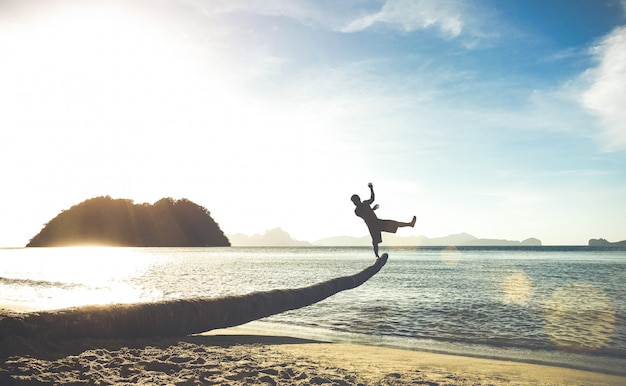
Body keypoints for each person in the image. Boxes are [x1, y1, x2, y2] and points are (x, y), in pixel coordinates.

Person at [351, 183, 416, 258]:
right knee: (375, 241)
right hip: (372, 225)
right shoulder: (357, 210)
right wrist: (372, 209)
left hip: (377, 222)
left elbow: (372, 199)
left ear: (358, 199)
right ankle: (376, 256)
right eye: (354, 201)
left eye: (356, 200)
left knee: (394, 223)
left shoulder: (364, 204)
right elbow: (365, 215)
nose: (355, 202)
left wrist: (371, 189)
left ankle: (410, 224)